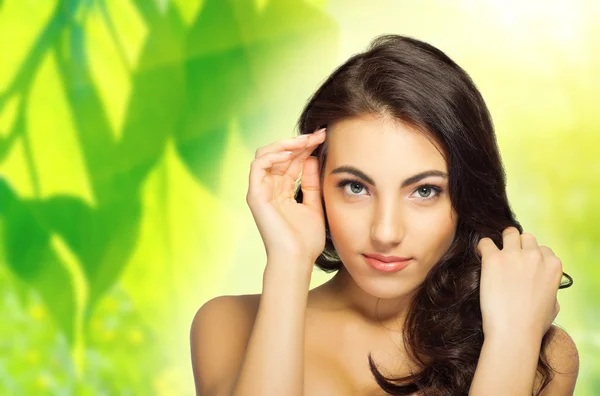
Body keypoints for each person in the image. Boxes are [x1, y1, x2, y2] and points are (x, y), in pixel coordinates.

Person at [190, 34, 579, 396]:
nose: (386, 232)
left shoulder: (544, 353)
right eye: (356, 187)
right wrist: (289, 262)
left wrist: (511, 339)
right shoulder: (227, 324)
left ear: (466, 194)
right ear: (315, 181)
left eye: (425, 191)